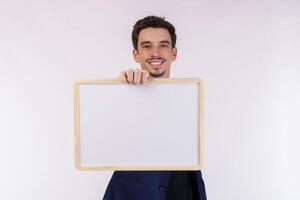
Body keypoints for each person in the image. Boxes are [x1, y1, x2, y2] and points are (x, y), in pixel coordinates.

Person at [103, 15, 207, 200]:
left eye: (163, 45)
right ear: (136, 54)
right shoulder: (124, 94)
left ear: (174, 52)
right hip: (134, 194)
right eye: (147, 46)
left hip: (184, 189)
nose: (155, 53)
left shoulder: (189, 97)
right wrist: (122, 90)